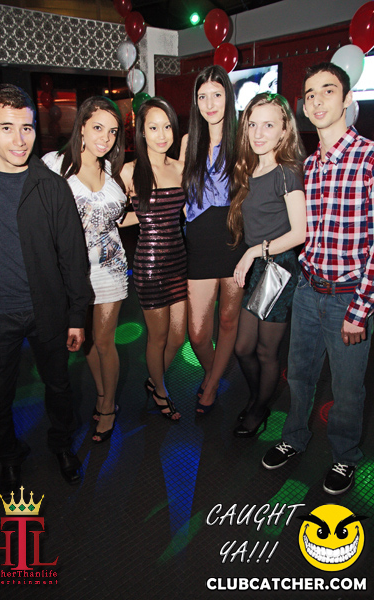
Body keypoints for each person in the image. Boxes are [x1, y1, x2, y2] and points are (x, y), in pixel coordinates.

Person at [262, 62, 374, 495]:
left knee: (347, 389)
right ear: (305, 108)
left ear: (347, 99)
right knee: (299, 375)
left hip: (350, 297)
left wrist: (360, 309)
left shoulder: (368, 158)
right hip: (309, 289)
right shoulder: (309, 166)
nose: (317, 100)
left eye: (328, 90)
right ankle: (293, 438)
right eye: (310, 94)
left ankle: (344, 455)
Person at [0, 84, 91, 497]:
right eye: (7, 127)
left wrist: (77, 316)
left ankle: (61, 445)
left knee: (59, 387)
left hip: (47, 310)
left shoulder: (50, 186)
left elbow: (73, 257)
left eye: (26, 127)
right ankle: (9, 457)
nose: (20, 139)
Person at [43, 96, 127, 443]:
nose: (105, 137)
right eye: (98, 128)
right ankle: (102, 392)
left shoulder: (112, 171)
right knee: (88, 341)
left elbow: (118, 219)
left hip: (110, 267)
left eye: (112, 131)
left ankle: (107, 406)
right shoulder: (54, 164)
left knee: (105, 341)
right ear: (81, 127)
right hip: (72, 272)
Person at [228, 92, 306, 438]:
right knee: (243, 347)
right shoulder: (249, 169)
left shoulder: (287, 172)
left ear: (284, 130)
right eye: (252, 125)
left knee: (264, 349)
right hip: (261, 266)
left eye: (269, 125)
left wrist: (252, 253)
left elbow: (299, 233)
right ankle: (259, 397)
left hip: (279, 268)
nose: (259, 133)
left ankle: (259, 407)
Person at [181, 65, 247, 414]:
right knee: (197, 333)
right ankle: (214, 374)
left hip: (235, 241)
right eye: (202, 96)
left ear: (228, 98)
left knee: (228, 321)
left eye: (217, 95)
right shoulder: (188, 142)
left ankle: (210, 386)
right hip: (199, 244)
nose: (209, 103)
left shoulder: (243, 141)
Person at [121, 98, 186, 420]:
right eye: (153, 127)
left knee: (178, 336)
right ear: (142, 132)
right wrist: (144, 216)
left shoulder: (180, 168)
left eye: (167, 127)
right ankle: (160, 390)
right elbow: (114, 217)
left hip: (179, 261)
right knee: (158, 337)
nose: (162, 135)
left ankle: (154, 378)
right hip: (149, 265)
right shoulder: (130, 171)